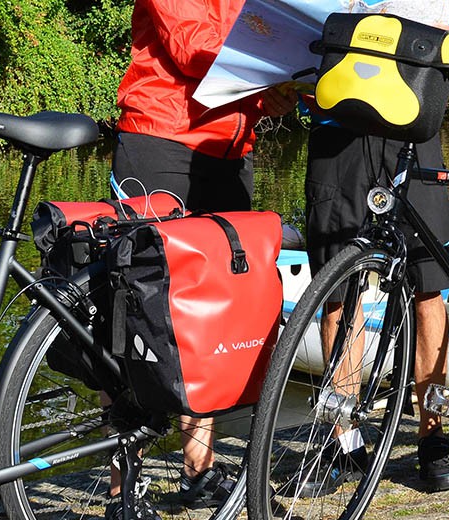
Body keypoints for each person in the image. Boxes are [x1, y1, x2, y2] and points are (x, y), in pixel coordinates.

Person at [106, 0, 296, 515]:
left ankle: (200, 471)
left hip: (231, 152)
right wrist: (273, 70)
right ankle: (125, 485)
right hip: (161, 140)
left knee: (212, 318)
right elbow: (193, 45)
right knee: (138, 310)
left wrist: (277, 94)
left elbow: (257, 49)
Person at [301, 1, 449, 495]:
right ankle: (342, 442)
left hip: (413, 123)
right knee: (338, 293)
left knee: (428, 288)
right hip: (337, 130)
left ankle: (432, 435)